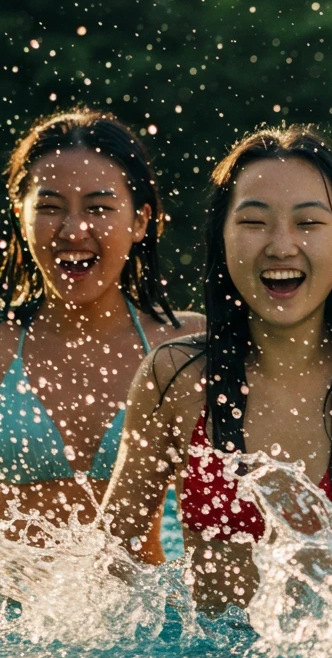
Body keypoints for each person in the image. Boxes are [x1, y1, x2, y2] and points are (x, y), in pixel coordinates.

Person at [102, 126, 332, 612]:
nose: (281, 246)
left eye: (309, 223)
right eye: (255, 222)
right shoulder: (175, 376)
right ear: (222, 237)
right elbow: (114, 562)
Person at [0, 109, 202, 546]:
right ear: (21, 215)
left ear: (140, 221)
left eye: (99, 207)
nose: (74, 230)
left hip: (147, 612)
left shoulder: (183, 346)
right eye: (50, 208)